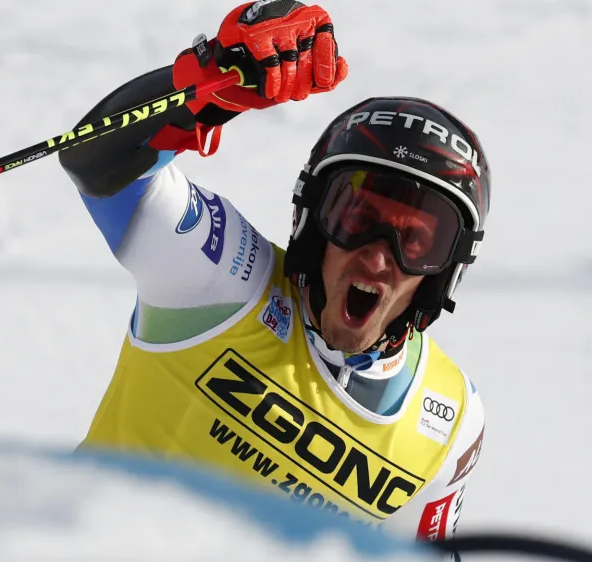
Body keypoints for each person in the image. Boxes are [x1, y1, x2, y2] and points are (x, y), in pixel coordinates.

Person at [58, 0, 487, 543]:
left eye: (417, 242)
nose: (379, 257)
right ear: (312, 219)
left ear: (444, 272)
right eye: (356, 218)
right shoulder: (220, 277)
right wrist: (210, 85)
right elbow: (96, 158)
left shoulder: (449, 422)